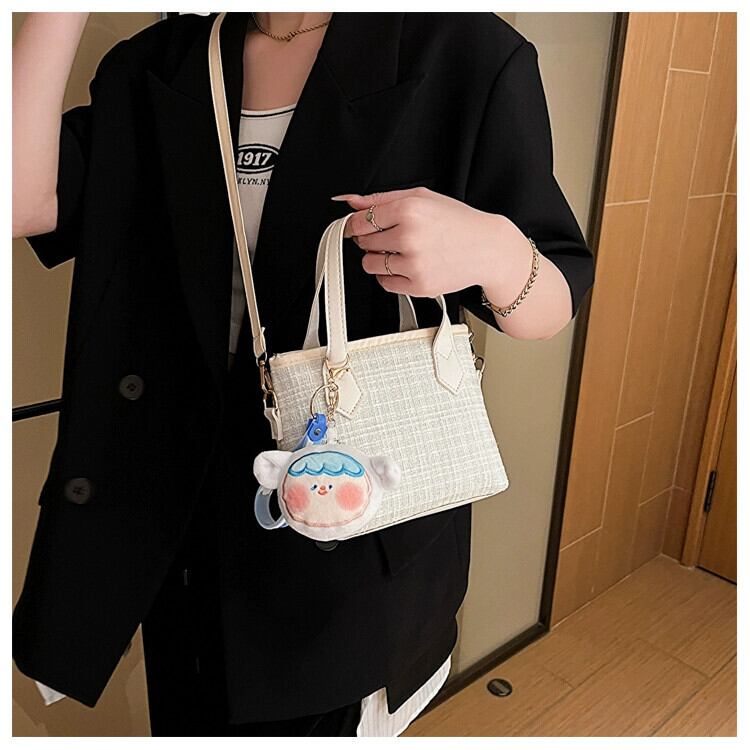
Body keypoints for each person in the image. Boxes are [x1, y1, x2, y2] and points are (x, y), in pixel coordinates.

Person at [12, 11, 595, 736]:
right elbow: (23, 200)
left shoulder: (460, 48)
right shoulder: (160, 61)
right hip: (177, 528)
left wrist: (495, 252)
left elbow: (554, 297)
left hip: (347, 538)